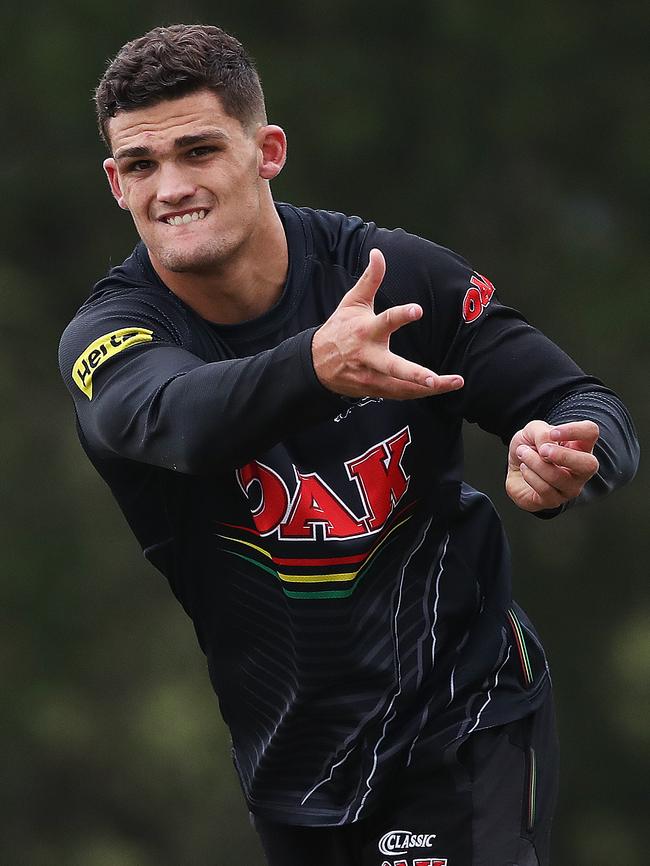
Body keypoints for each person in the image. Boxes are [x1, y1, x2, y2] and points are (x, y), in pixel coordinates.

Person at [59, 24, 638, 866]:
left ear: (269, 150)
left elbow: (583, 404)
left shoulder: (394, 278)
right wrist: (316, 367)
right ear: (116, 182)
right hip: (293, 751)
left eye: (199, 150)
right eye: (143, 166)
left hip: (462, 711)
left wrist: (569, 460)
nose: (172, 186)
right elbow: (179, 421)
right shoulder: (109, 333)